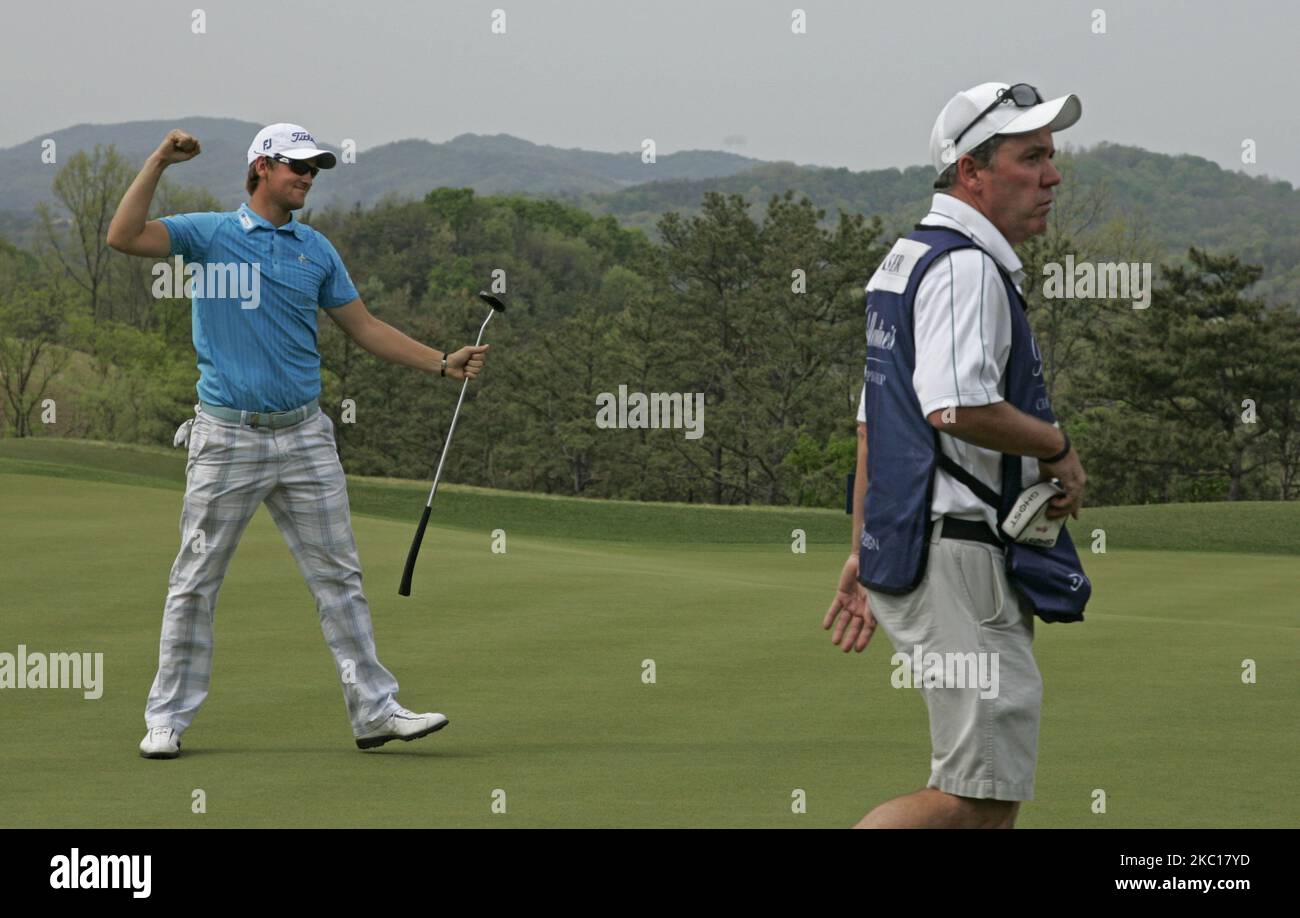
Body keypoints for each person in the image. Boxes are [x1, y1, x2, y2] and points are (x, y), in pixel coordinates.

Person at [107, 124, 489, 758]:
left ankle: (373, 712)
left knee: (339, 578)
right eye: (297, 167)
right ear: (262, 168)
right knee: (195, 581)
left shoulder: (316, 249)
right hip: (227, 435)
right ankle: (165, 719)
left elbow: (363, 326)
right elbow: (122, 236)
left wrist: (442, 362)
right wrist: (157, 162)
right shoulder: (210, 235)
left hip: (307, 437)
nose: (308, 177)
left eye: (315, 168)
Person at [823, 83, 1089, 827]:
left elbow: (879, 424)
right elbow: (955, 408)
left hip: (925, 547)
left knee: (982, 803)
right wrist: (1057, 447)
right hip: (960, 559)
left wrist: (864, 550)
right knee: (971, 803)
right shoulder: (966, 267)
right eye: (1030, 157)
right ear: (972, 171)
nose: (1052, 177)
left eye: (1051, 157)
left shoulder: (906, 260)